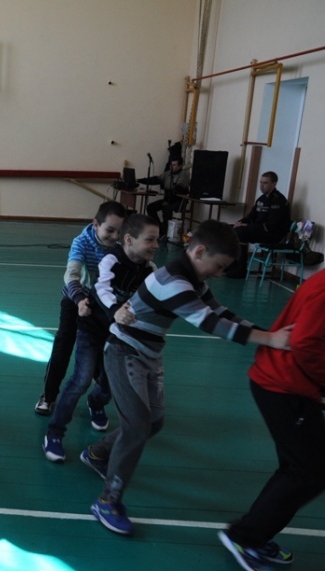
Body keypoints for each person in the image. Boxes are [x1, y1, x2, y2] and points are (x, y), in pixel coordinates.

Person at [82, 220, 293, 536]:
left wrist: (269, 335)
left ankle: (98, 452)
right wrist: (270, 340)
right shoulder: (173, 281)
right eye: (218, 266)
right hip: (124, 352)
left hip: (149, 354)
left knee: (153, 423)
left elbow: (221, 312)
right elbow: (211, 324)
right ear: (199, 251)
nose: (219, 274)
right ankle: (107, 502)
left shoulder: (192, 280)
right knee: (137, 426)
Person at [218, 268, 325, 571]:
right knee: (310, 470)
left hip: (287, 384)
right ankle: (245, 537)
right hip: (283, 386)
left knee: (299, 467)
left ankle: (254, 534)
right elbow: (306, 343)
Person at [42, 214, 159, 462]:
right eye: (150, 240)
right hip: (92, 328)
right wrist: (114, 310)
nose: (156, 245)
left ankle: (96, 403)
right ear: (130, 240)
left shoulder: (150, 270)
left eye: (157, 240)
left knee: (108, 386)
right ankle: (54, 432)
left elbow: (155, 297)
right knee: (81, 378)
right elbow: (101, 288)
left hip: (118, 336)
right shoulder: (110, 260)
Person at [34, 201, 128, 415]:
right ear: (96, 224)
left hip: (103, 302)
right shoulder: (81, 242)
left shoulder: (120, 247)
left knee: (102, 347)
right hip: (75, 298)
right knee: (64, 344)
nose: (115, 236)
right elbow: (71, 275)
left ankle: (97, 393)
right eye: (110, 230)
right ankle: (49, 396)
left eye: (119, 231)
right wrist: (79, 300)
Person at [229, 171, 292, 277]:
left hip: (272, 234)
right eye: (261, 182)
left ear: (274, 184)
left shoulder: (278, 201)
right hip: (258, 229)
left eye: (265, 183)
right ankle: (229, 266)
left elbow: (270, 226)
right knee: (228, 229)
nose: (261, 185)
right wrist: (240, 222)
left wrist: (245, 226)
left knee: (240, 233)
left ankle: (239, 270)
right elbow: (251, 217)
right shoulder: (261, 199)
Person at [142, 157, 190, 240]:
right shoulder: (167, 173)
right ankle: (159, 229)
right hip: (167, 199)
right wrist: (140, 180)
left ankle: (166, 233)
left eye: (174, 165)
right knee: (150, 207)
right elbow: (156, 180)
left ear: (180, 166)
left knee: (166, 208)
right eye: (171, 165)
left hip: (179, 201)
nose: (172, 167)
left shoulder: (183, 175)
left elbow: (178, 189)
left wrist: (167, 201)